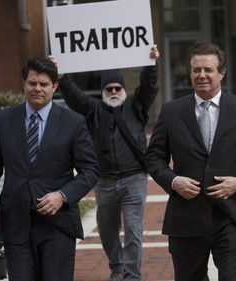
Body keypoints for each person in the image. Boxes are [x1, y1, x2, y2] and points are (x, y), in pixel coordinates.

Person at [146, 42, 236, 281]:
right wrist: (173, 181)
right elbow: (153, 157)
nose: (201, 75)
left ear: (222, 72)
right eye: (196, 70)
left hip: (231, 214)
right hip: (186, 216)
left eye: (208, 70)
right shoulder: (171, 111)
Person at [0, 58, 99, 281]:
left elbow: (90, 171)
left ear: (54, 86)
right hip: (16, 223)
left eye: (43, 84)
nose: (37, 89)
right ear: (24, 83)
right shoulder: (3, 120)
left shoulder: (74, 122)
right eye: (32, 83)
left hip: (58, 225)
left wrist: (62, 196)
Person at [51, 45, 159, 281]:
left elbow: (149, 87)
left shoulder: (135, 105)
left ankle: (132, 276)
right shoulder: (93, 110)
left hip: (134, 180)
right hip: (105, 182)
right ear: (102, 91)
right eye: (108, 88)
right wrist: (61, 75)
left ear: (123, 89)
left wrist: (151, 64)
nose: (113, 91)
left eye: (117, 88)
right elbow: (73, 96)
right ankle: (117, 267)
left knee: (133, 231)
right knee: (108, 231)